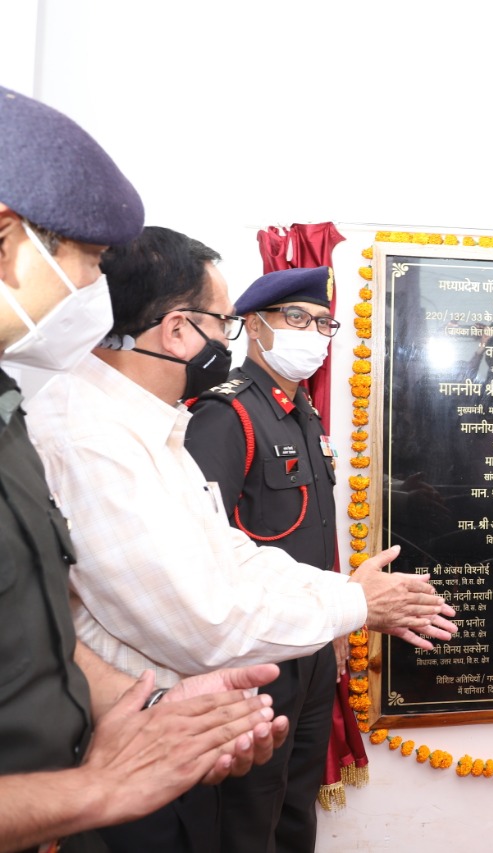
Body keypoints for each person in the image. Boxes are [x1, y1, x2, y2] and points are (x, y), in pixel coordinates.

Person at [25, 225, 457, 853]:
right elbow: (204, 619)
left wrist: (346, 595)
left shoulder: (149, 425)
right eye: (224, 324)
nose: (225, 341)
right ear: (178, 330)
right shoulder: (93, 440)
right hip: (133, 742)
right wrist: (356, 603)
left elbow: (227, 551)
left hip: (187, 717)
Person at [0, 84, 291, 853]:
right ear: (6, 239)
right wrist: (89, 791)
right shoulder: (68, 425)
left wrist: (156, 711)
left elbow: (41, 633)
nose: (95, 294)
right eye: (88, 261)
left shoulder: (8, 419)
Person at [184, 266, 345, 853]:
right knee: (249, 810)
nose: (314, 333)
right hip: (257, 651)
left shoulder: (305, 414)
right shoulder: (226, 415)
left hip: (312, 643)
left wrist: (335, 626)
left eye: (324, 323)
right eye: (297, 318)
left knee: (297, 803)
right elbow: (201, 547)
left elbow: (312, 536)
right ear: (254, 326)